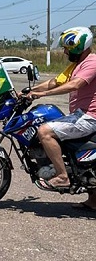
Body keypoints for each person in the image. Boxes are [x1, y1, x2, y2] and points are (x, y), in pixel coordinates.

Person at [27, 26, 96, 211]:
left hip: (90, 117)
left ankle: (62, 176)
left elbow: (75, 84)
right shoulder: (76, 65)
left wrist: (44, 94)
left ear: (78, 46)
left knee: (45, 131)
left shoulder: (92, 62)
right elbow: (56, 81)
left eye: (67, 47)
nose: (65, 51)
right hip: (80, 115)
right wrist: (31, 91)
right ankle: (94, 201)